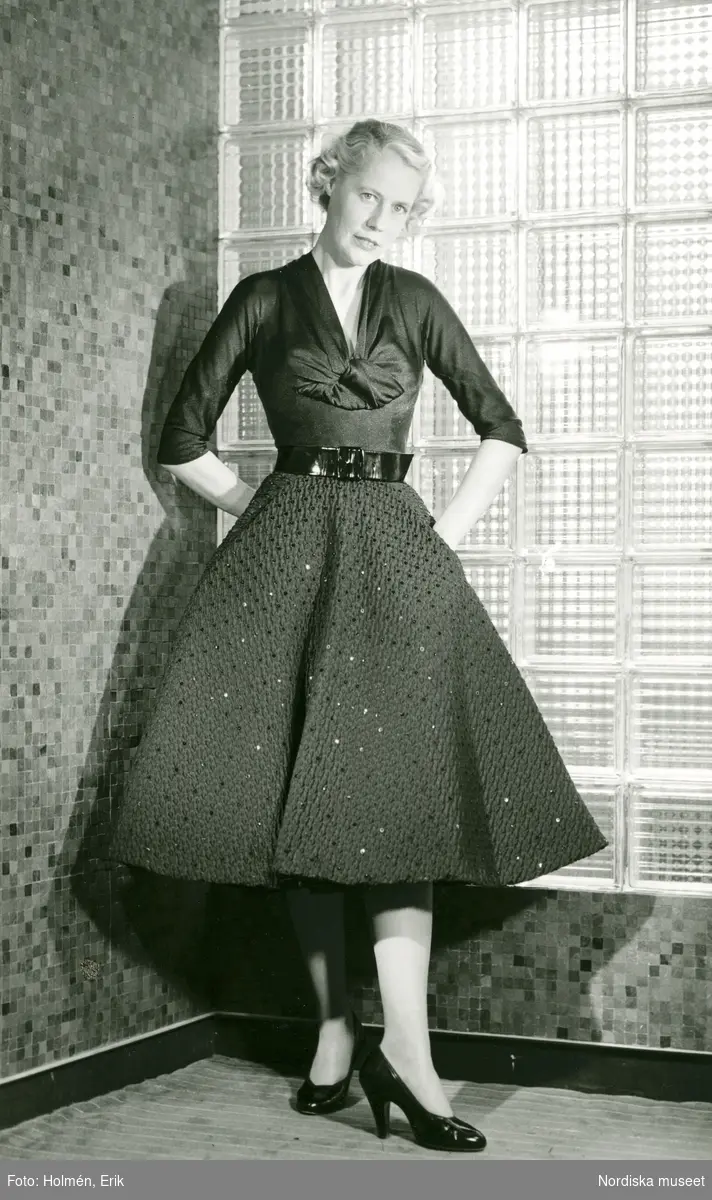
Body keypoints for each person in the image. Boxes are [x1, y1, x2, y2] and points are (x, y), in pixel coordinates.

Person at [108, 118, 608, 1152]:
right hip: (284, 560)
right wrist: (259, 505)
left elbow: (501, 428)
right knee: (302, 796)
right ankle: (335, 1031)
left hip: (392, 557)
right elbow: (180, 440)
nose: (383, 219)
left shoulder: (414, 300)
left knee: (394, 806)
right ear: (329, 183)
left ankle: (409, 1054)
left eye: (403, 208)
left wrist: (440, 537)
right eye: (370, 194)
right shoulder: (262, 299)